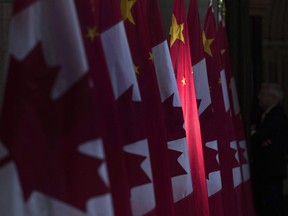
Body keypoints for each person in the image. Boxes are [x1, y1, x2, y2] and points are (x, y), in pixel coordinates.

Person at [251, 83, 288, 216]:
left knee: (271, 205)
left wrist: (257, 135)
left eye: (262, 94)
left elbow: (259, 137)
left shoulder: (276, 115)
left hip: (270, 169)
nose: (258, 97)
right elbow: (259, 138)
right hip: (264, 170)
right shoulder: (264, 114)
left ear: (272, 97)